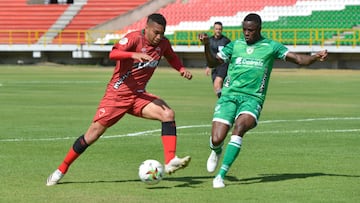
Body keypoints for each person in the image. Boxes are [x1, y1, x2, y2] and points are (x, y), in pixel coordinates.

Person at [46, 13, 193, 186]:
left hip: (138, 95)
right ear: (146, 28)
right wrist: (132, 55)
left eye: (162, 33)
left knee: (168, 114)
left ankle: (170, 160)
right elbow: (113, 53)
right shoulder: (133, 39)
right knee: (92, 135)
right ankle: (61, 169)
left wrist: (181, 68)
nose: (159, 37)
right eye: (156, 32)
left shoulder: (163, 44)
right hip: (117, 96)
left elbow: (171, 56)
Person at [199, 13, 328, 188]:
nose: (246, 33)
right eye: (244, 29)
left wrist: (314, 57)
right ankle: (216, 151)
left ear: (259, 29)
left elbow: (298, 59)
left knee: (240, 127)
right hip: (229, 96)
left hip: (253, 99)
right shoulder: (234, 45)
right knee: (216, 138)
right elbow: (213, 63)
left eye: (250, 30)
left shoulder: (270, 46)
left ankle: (220, 176)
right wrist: (206, 46)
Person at [201, 22, 231, 98]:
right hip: (214, 66)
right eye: (216, 29)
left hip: (223, 65)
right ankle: (223, 101)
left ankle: (222, 102)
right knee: (217, 88)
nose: (218, 31)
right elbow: (208, 54)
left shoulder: (226, 41)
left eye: (220, 29)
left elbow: (230, 53)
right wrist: (208, 66)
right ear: (214, 30)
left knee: (218, 83)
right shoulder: (209, 41)